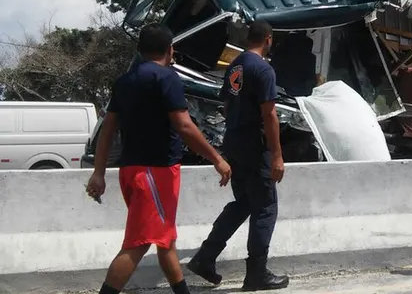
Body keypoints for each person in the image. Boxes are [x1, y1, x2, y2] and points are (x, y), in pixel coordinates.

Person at [86, 24, 232, 294]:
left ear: (140, 50)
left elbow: (107, 130)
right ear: (170, 49)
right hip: (155, 173)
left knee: (165, 240)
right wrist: (217, 159)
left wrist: (98, 172)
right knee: (139, 243)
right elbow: (185, 126)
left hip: (130, 171)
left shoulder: (124, 81)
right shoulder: (167, 78)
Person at [187, 20, 289, 291]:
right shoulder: (264, 69)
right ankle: (256, 273)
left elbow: (227, 104)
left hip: (234, 142)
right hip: (255, 146)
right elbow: (269, 114)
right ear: (268, 39)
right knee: (265, 208)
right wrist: (277, 155)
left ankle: (205, 257)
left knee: (244, 202)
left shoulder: (235, 65)